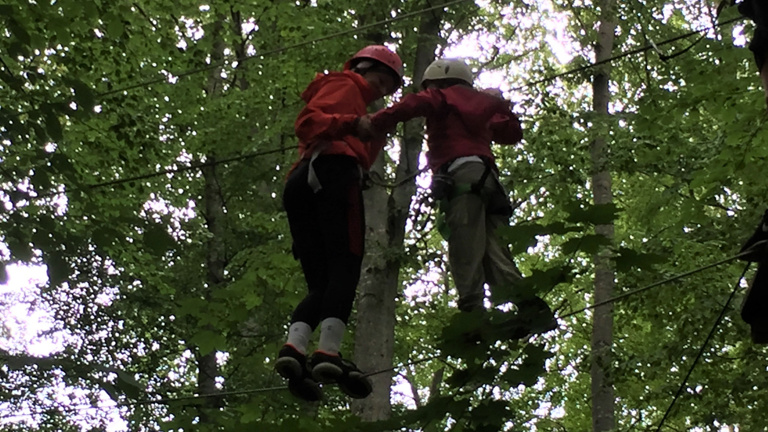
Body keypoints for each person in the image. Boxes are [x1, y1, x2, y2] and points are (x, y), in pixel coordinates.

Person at [356, 58, 556, 339]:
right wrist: (499, 105)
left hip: (462, 177)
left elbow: (409, 106)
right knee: (492, 250)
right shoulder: (483, 104)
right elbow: (511, 133)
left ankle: (473, 314)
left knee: (465, 246)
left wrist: (375, 122)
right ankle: (531, 307)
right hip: (489, 182)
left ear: (437, 81)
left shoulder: (440, 97)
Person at [275, 45, 404, 401]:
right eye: (380, 81)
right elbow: (308, 124)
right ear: (364, 68)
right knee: (346, 264)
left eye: (388, 89)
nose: (381, 91)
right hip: (329, 175)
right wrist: (353, 124)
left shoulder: (356, 100)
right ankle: (327, 353)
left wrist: (371, 132)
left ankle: (294, 351)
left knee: (321, 284)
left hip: (304, 183)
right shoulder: (347, 86)